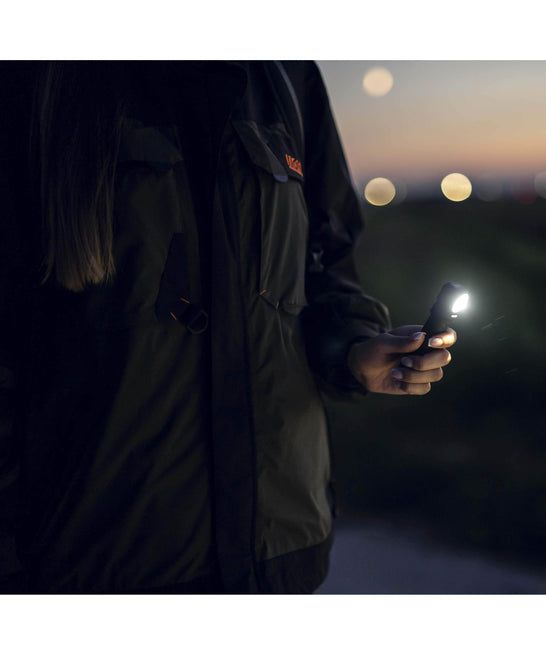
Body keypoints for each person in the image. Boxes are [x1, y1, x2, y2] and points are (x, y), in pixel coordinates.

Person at [0, 61, 456, 593]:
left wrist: (353, 349)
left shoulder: (284, 76)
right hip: (99, 563)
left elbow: (326, 265)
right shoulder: (35, 78)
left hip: (276, 556)